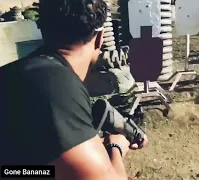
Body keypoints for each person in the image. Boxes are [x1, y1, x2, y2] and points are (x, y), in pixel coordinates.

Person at [0, 0, 147, 179]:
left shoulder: (14, 73)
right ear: (99, 39)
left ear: (43, 29)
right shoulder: (58, 87)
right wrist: (115, 146)